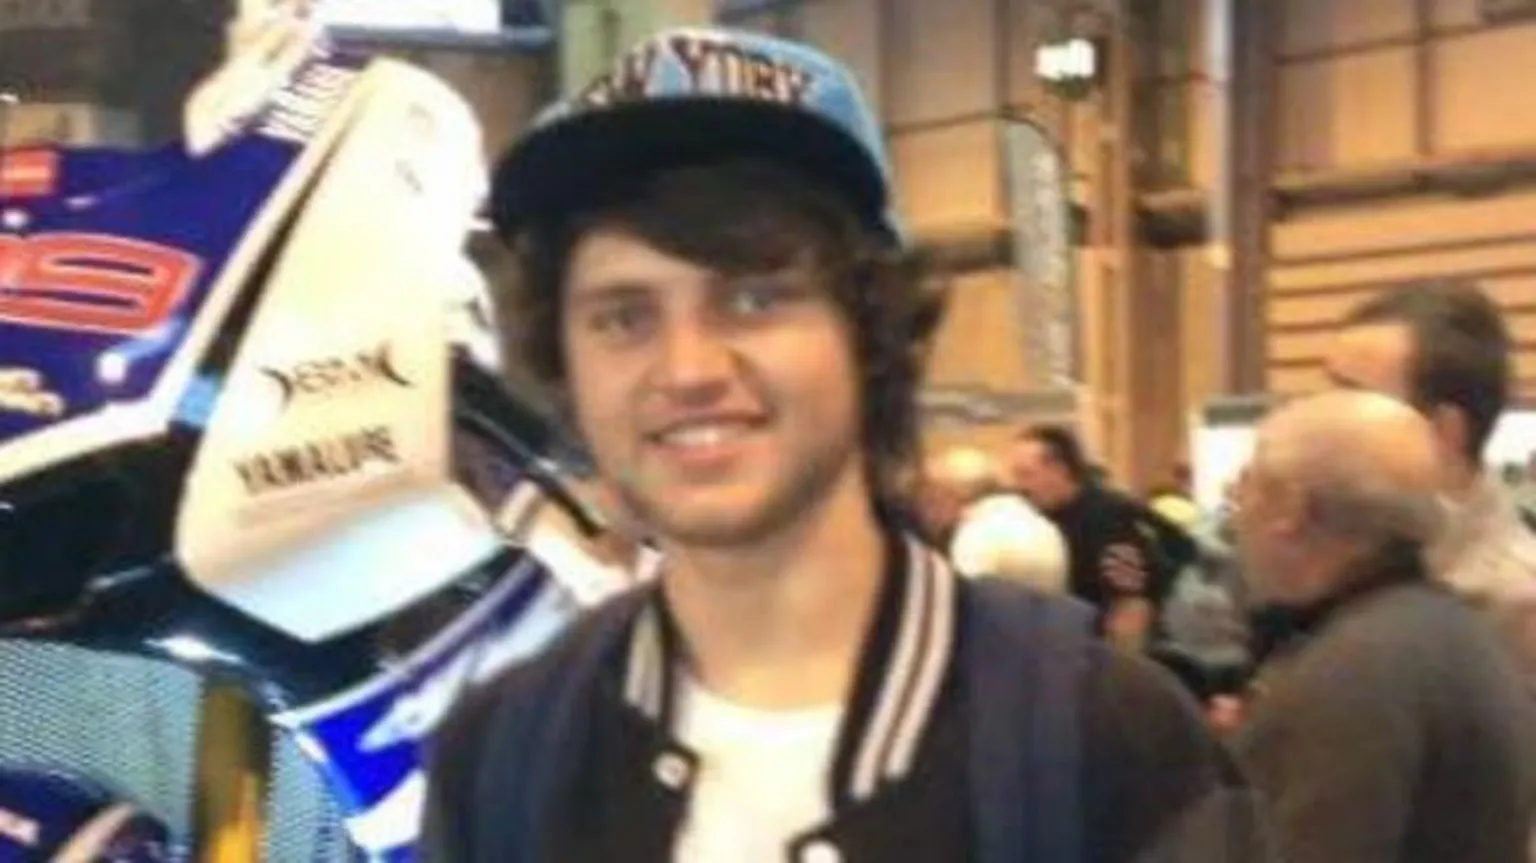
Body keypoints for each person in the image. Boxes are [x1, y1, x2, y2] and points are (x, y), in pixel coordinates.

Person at [422, 26, 1270, 863]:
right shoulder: (507, 752)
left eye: (755, 297)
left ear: (869, 333)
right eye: (623, 316)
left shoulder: (1100, 741)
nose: (687, 368)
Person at [1230, 390, 1536, 863]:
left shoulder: (1355, 672)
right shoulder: (1452, 632)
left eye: (1246, 485)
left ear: (1291, 509)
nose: (1236, 507)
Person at [1325, 283, 1536, 690]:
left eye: (1350, 399)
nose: (1316, 416)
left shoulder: (1517, 606)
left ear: (1442, 432)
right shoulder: (1348, 550)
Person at [1009, 425, 1197, 649]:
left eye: (1026, 475)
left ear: (1059, 470)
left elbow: (1130, 609)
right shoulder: (1047, 517)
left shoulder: (1106, 518)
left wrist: (1116, 673)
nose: (1019, 486)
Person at [925, 447, 1069, 592]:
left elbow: (968, 601)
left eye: (936, 497)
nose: (933, 509)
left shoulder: (975, 538)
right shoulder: (1041, 524)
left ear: (956, 494)